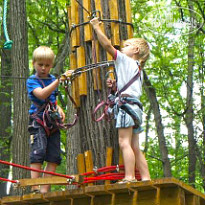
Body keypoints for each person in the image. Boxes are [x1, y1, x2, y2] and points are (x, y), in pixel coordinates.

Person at [90, 18, 151, 183]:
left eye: (126, 46)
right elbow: (130, 87)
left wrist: (96, 27)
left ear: (136, 50)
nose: (122, 48)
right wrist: (116, 86)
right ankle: (145, 177)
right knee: (135, 146)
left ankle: (130, 176)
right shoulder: (138, 70)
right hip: (136, 107)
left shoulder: (125, 60)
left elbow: (108, 46)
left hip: (126, 106)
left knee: (124, 142)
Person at [26, 46, 66, 193]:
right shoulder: (32, 81)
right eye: (40, 65)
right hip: (38, 121)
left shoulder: (52, 79)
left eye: (47, 65)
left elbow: (52, 100)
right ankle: (35, 186)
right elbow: (42, 95)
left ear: (51, 66)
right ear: (34, 64)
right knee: (38, 151)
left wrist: (59, 109)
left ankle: (45, 189)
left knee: (54, 155)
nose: (43, 68)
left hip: (52, 121)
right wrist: (58, 82)